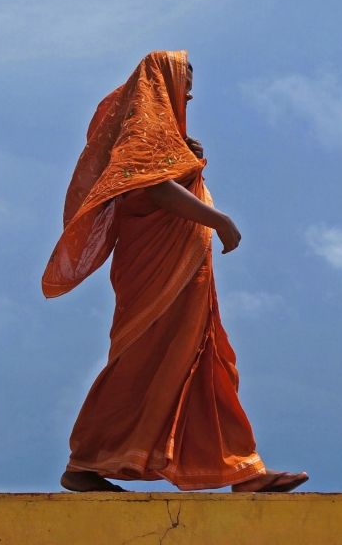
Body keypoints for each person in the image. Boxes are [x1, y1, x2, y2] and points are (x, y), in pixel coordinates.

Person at [41, 50, 308, 493]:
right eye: (184, 81)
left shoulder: (163, 140)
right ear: (163, 83)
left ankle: (241, 469)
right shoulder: (143, 133)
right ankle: (85, 461)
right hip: (155, 273)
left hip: (184, 274)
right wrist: (217, 218)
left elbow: (165, 177)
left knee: (202, 362)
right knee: (143, 360)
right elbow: (154, 187)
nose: (189, 92)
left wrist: (185, 157)